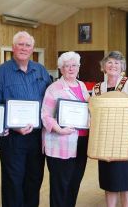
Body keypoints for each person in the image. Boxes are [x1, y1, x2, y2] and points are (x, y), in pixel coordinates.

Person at [0, 31, 51, 207]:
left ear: (32, 49)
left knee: (34, 179)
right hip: (12, 137)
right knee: (13, 181)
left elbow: (50, 101)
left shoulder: (41, 71)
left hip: (37, 136)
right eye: (21, 44)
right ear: (13, 47)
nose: (24, 48)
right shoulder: (1, 73)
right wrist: (12, 125)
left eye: (28, 45)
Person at [92, 51, 128, 207]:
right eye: (109, 62)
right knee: (109, 180)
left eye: (117, 63)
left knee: (126, 179)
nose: (113, 65)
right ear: (103, 66)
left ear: (122, 66)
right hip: (105, 141)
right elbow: (92, 115)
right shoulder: (97, 89)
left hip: (127, 139)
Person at [41, 51, 90, 207]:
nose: (71, 68)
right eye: (66, 66)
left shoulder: (82, 86)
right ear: (61, 69)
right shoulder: (54, 88)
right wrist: (59, 129)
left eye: (74, 65)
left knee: (74, 184)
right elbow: (45, 116)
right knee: (60, 186)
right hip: (61, 143)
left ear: (79, 67)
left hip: (81, 142)